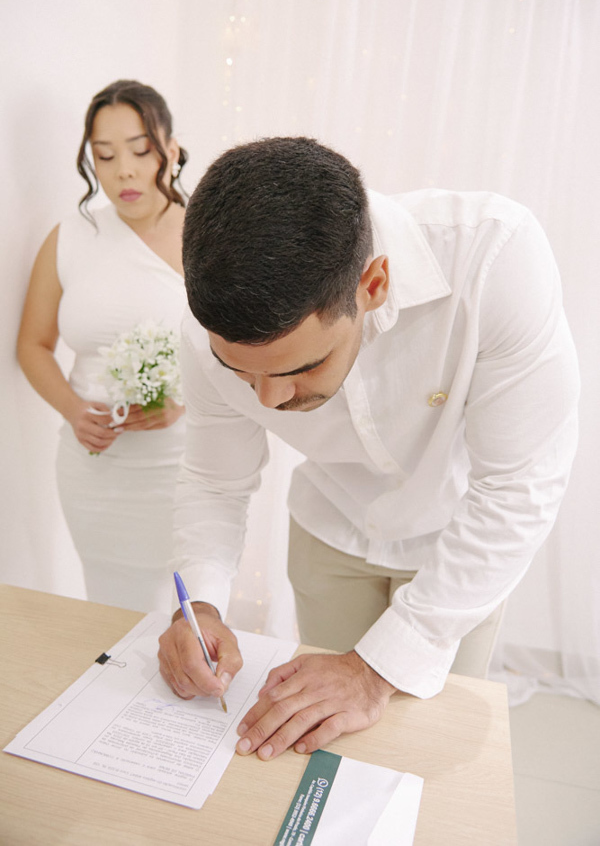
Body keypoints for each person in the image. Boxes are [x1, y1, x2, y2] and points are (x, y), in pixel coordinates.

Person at [157, 136, 579, 760]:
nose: (268, 401)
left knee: (426, 750)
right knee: (329, 748)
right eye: (243, 374)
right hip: (329, 532)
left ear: (373, 283)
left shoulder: (495, 258)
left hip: (459, 542)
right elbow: (217, 481)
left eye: (299, 368)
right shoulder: (205, 331)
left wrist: (375, 671)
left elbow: (518, 487)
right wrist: (197, 608)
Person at [17, 80, 188, 613]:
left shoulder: (207, 236)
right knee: (107, 610)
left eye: (140, 151)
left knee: (181, 611)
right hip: (93, 468)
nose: (124, 171)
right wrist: (73, 411)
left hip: (181, 466)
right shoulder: (70, 237)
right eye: (105, 155)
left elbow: (246, 353)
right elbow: (33, 345)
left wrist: (182, 404)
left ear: (171, 151)